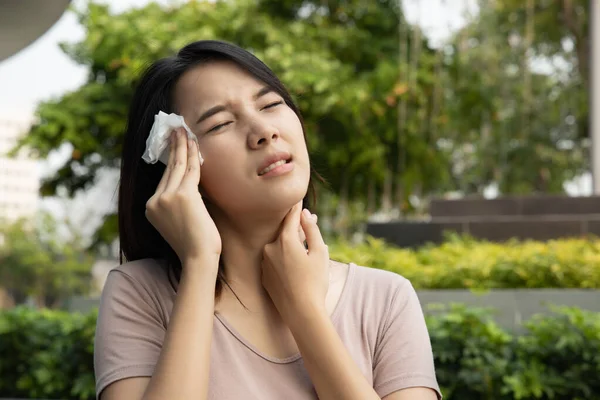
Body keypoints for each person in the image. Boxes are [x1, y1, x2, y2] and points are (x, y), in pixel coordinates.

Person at [93, 39, 442, 400]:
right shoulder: (139, 293)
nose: (264, 131)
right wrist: (199, 262)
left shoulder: (384, 299)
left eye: (272, 104)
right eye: (220, 123)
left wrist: (304, 310)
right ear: (176, 161)